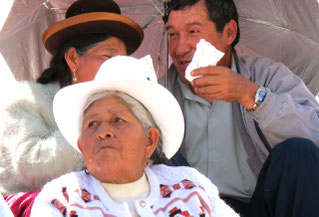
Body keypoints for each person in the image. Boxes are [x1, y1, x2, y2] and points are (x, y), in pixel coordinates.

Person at [29, 55, 239, 217]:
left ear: (150, 141)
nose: (103, 132)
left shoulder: (190, 187)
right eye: (92, 123)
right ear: (81, 145)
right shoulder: (62, 200)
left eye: (118, 120)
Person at [163, 0, 319, 216]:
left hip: (258, 206)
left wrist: (252, 96)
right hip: (189, 206)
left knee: (299, 151)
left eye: (193, 31)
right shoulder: (159, 92)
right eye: (172, 35)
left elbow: (314, 134)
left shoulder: (266, 76)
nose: (179, 48)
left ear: (229, 32)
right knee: (152, 144)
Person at [0, 0, 143, 196]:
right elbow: (29, 166)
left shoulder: (119, 108)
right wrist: (91, 128)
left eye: (122, 61)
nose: (117, 68)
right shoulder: (26, 99)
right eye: (109, 58)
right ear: (73, 59)